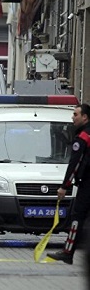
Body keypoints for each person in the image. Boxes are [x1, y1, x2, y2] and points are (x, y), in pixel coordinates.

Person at [48, 103, 90, 264]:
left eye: (75, 114)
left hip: (87, 183)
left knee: (77, 216)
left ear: (84, 117)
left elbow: (75, 163)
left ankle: (68, 252)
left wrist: (64, 186)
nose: (72, 118)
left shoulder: (83, 137)